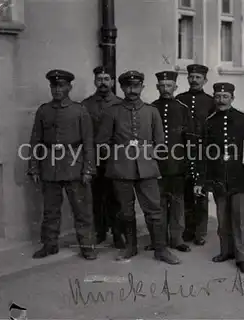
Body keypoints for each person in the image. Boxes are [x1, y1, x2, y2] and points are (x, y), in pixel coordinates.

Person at [95, 70, 180, 264]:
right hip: (121, 168)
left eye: (136, 86)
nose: (132, 90)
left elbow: (160, 142)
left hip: (147, 168)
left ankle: (161, 250)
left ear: (142, 87)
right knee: (125, 211)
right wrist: (119, 154)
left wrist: (149, 155)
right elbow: (101, 142)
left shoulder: (151, 111)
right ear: (123, 88)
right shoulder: (112, 112)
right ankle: (130, 247)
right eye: (128, 86)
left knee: (154, 210)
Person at [27, 69, 97, 260]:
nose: (57, 90)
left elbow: (88, 142)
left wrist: (88, 169)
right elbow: (36, 140)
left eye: (61, 86)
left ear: (69, 87)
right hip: (50, 166)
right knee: (50, 210)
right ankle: (49, 245)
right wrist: (33, 166)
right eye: (53, 86)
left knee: (82, 210)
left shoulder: (79, 110)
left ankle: (87, 246)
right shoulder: (44, 111)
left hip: (75, 165)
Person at [193, 82, 244, 273]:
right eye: (218, 97)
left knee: (240, 220)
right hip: (219, 177)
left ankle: (243, 257)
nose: (221, 100)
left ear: (232, 98)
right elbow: (202, 154)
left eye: (225, 97)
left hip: (240, 177)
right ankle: (226, 251)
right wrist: (200, 180)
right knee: (223, 219)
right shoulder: (209, 122)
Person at [146, 70, 194, 253]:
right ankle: (158, 240)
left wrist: (188, 163)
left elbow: (188, 138)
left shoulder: (182, 109)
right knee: (157, 204)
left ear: (175, 87)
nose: (166, 89)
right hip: (156, 165)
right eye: (162, 85)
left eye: (169, 85)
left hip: (177, 165)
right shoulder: (150, 108)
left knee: (177, 203)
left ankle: (177, 238)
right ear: (157, 87)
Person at [82, 66, 124, 249]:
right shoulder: (86, 105)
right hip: (94, 158)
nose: (103, 82)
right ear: (94, 81)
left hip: (115, 158)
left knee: (116, 197)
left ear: (112, 82)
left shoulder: (121, 104)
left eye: (107, 79)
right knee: (96, 197)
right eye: (100, 79)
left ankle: (117, 234)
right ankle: (99, 232)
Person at [176, 64, 215, 246]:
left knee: (201, 192)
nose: (194, 80)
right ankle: (187, 230)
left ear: (205, 80)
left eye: (198, 77)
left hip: (203, 150)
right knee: (185, 192)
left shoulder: (211, 101)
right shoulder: (180, 99)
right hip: (182, 150)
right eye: (191, 76)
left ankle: (200, 232)